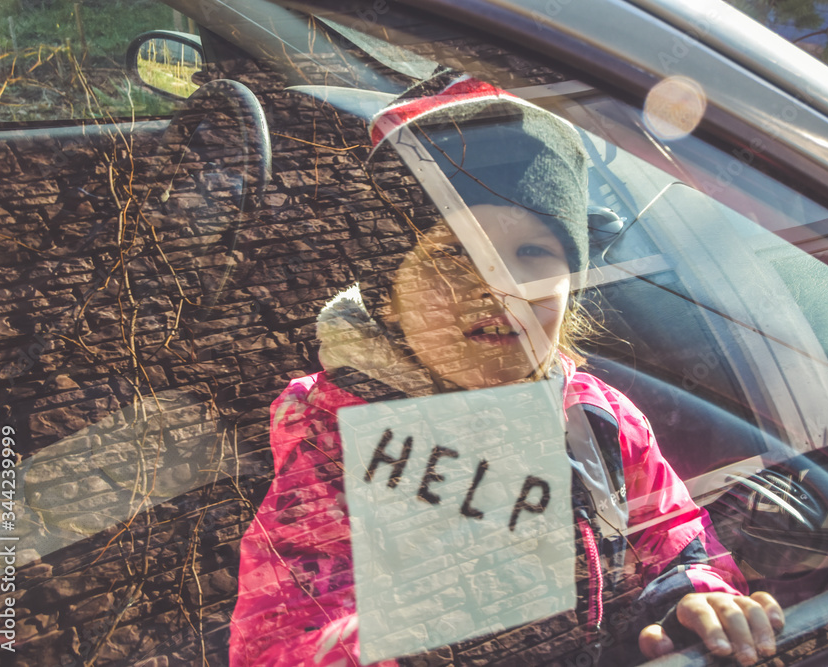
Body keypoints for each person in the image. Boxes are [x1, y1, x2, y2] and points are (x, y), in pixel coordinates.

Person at [229, 71, 783, 667]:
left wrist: (695, 598)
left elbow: (670, 535)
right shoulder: (339, 445)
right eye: (451, 257)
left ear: (573, 283)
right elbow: (278, 641)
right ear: (386, 295)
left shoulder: (595, 417)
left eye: (532, 254)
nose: (497, 289)